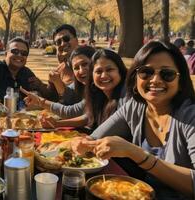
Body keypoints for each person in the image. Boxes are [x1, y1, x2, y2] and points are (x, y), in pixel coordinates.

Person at [72, 41, 195, 199]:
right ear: (135, 78)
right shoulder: (134, 107)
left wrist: (138, 154)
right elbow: (94, 138)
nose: (155, 80)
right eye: (146, 72)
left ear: (180, 81)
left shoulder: (190, 116)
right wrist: (83, 143)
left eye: (167, 74)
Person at [22, 49, 127, 131]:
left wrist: (90, 140)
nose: (103, 76)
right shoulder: (96, 90)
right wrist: (56, 123)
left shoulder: (126, 97)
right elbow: (86, 116)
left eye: (109, 69)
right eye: (76, 67)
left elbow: (73, 111)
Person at [0, 37, 47, 103]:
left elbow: (43, 95)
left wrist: (40, 88)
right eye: (15, 51)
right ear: (6, 54)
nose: (19, 55)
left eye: (24, 53)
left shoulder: (27, 73)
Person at [45, 24, 79, 103]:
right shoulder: (59, 69)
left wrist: (60, 86)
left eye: (66, 39)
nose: (63, 44)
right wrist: (39, 86)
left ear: (76, 40)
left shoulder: (90, 63)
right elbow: (51, 97)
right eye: (58, 42)